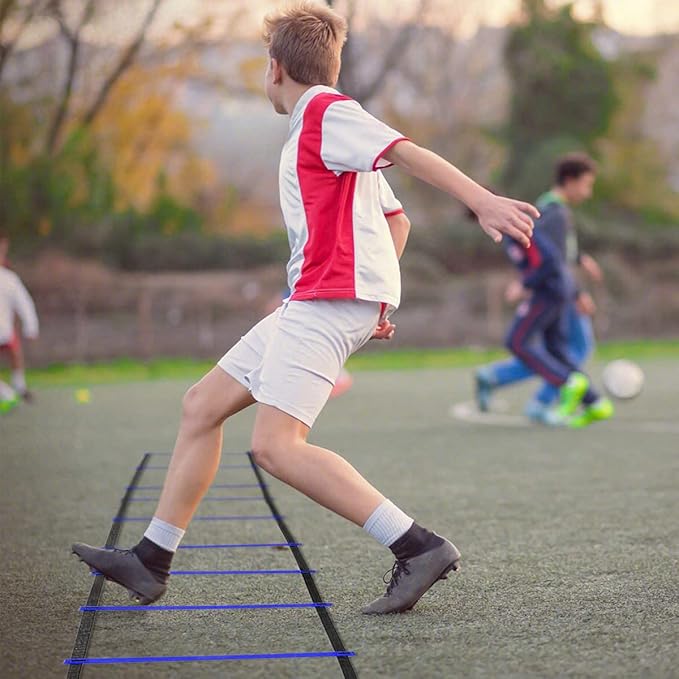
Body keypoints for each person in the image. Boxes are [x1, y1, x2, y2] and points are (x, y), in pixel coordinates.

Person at [72, 1, 536, 615]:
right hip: (320, 300)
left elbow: (405, 150)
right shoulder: (324, 132)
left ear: (274, 68)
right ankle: (152, 558)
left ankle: (419, 546)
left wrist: (481, 201)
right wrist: (375, 295)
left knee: (276, 447)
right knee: (202, 406)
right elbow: (397, 222)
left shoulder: (325, 111)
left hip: (324, 301)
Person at [475, 154, 610, 427]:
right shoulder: (553, 211)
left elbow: (551, 258)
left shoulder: (551, 213)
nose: (588, 192)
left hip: (556, 290)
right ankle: (594, 401)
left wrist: (535, 284)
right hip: (559, 288)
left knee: (526, 344)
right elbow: (553, 254)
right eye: (586, 184)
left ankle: (556, 390)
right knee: (559, 350)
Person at [0, 231, 39, 413]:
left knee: (15, 351)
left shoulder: (9, 278)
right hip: (4, 331)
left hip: (4, 331)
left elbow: (24, 303)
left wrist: (31, 326)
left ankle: (16, 389)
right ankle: (10, 392)